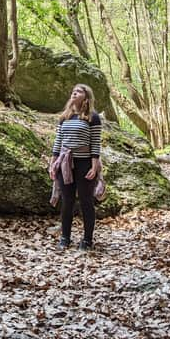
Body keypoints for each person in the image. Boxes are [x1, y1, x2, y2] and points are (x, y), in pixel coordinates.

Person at [48, 84, 102, 251]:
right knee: (67, 201)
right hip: (65, 163)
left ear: (86, 97)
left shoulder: (93, 117)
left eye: (78, 91)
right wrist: (53, 162)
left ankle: (87, 240)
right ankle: (65, 237)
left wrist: (94, 166)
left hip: (84, 163)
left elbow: (95, 143)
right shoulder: (65, 117)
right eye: (73, 91)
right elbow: (58, 141)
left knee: (86, 201)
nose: (74, 93)